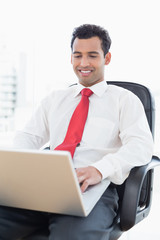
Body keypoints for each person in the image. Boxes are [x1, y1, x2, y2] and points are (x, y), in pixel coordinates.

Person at [0, 24, 153, 240]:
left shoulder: (124, 100)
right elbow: (29, 137)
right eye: (77, 55)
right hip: (44, 185)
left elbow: (141, 146)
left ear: (106, 58)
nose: (83, 63)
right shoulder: (55, 99)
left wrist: (99, 169)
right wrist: (18, 169)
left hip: (93, 190)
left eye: (92, 55)